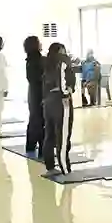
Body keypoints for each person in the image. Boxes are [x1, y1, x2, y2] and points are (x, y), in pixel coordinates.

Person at [42, 42, 75, 175]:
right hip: (61, 102)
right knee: (63, 135)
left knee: (49, 135)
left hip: (48, 102)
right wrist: (66, 92)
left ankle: (49, 164)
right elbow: (63, 83)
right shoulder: (63, 61)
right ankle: (65, 168)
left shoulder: (46, 63)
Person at [24, 36, 45, 156]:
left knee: (34, 119)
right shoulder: (40, 60)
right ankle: (43, 148)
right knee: (41, 120)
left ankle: (30, 145)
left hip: (32, 93)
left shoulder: (29, 60)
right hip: (40, 92)